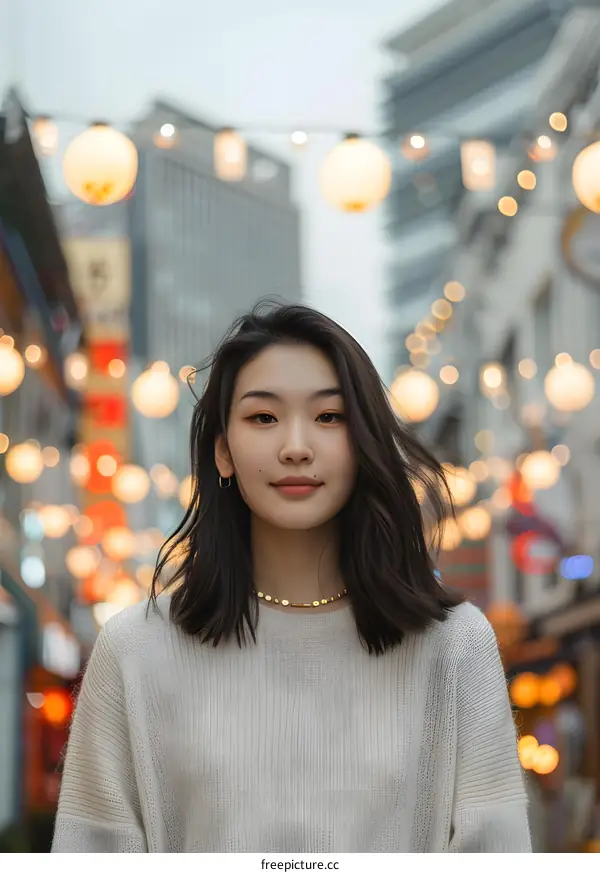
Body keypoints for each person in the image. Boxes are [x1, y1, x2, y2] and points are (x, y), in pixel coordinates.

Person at [52, 302, 531, 853]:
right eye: (263, 417)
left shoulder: (454, 647)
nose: (296, 447)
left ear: (363, 442)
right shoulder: (135, 651)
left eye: (329, 417)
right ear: (224, 452)